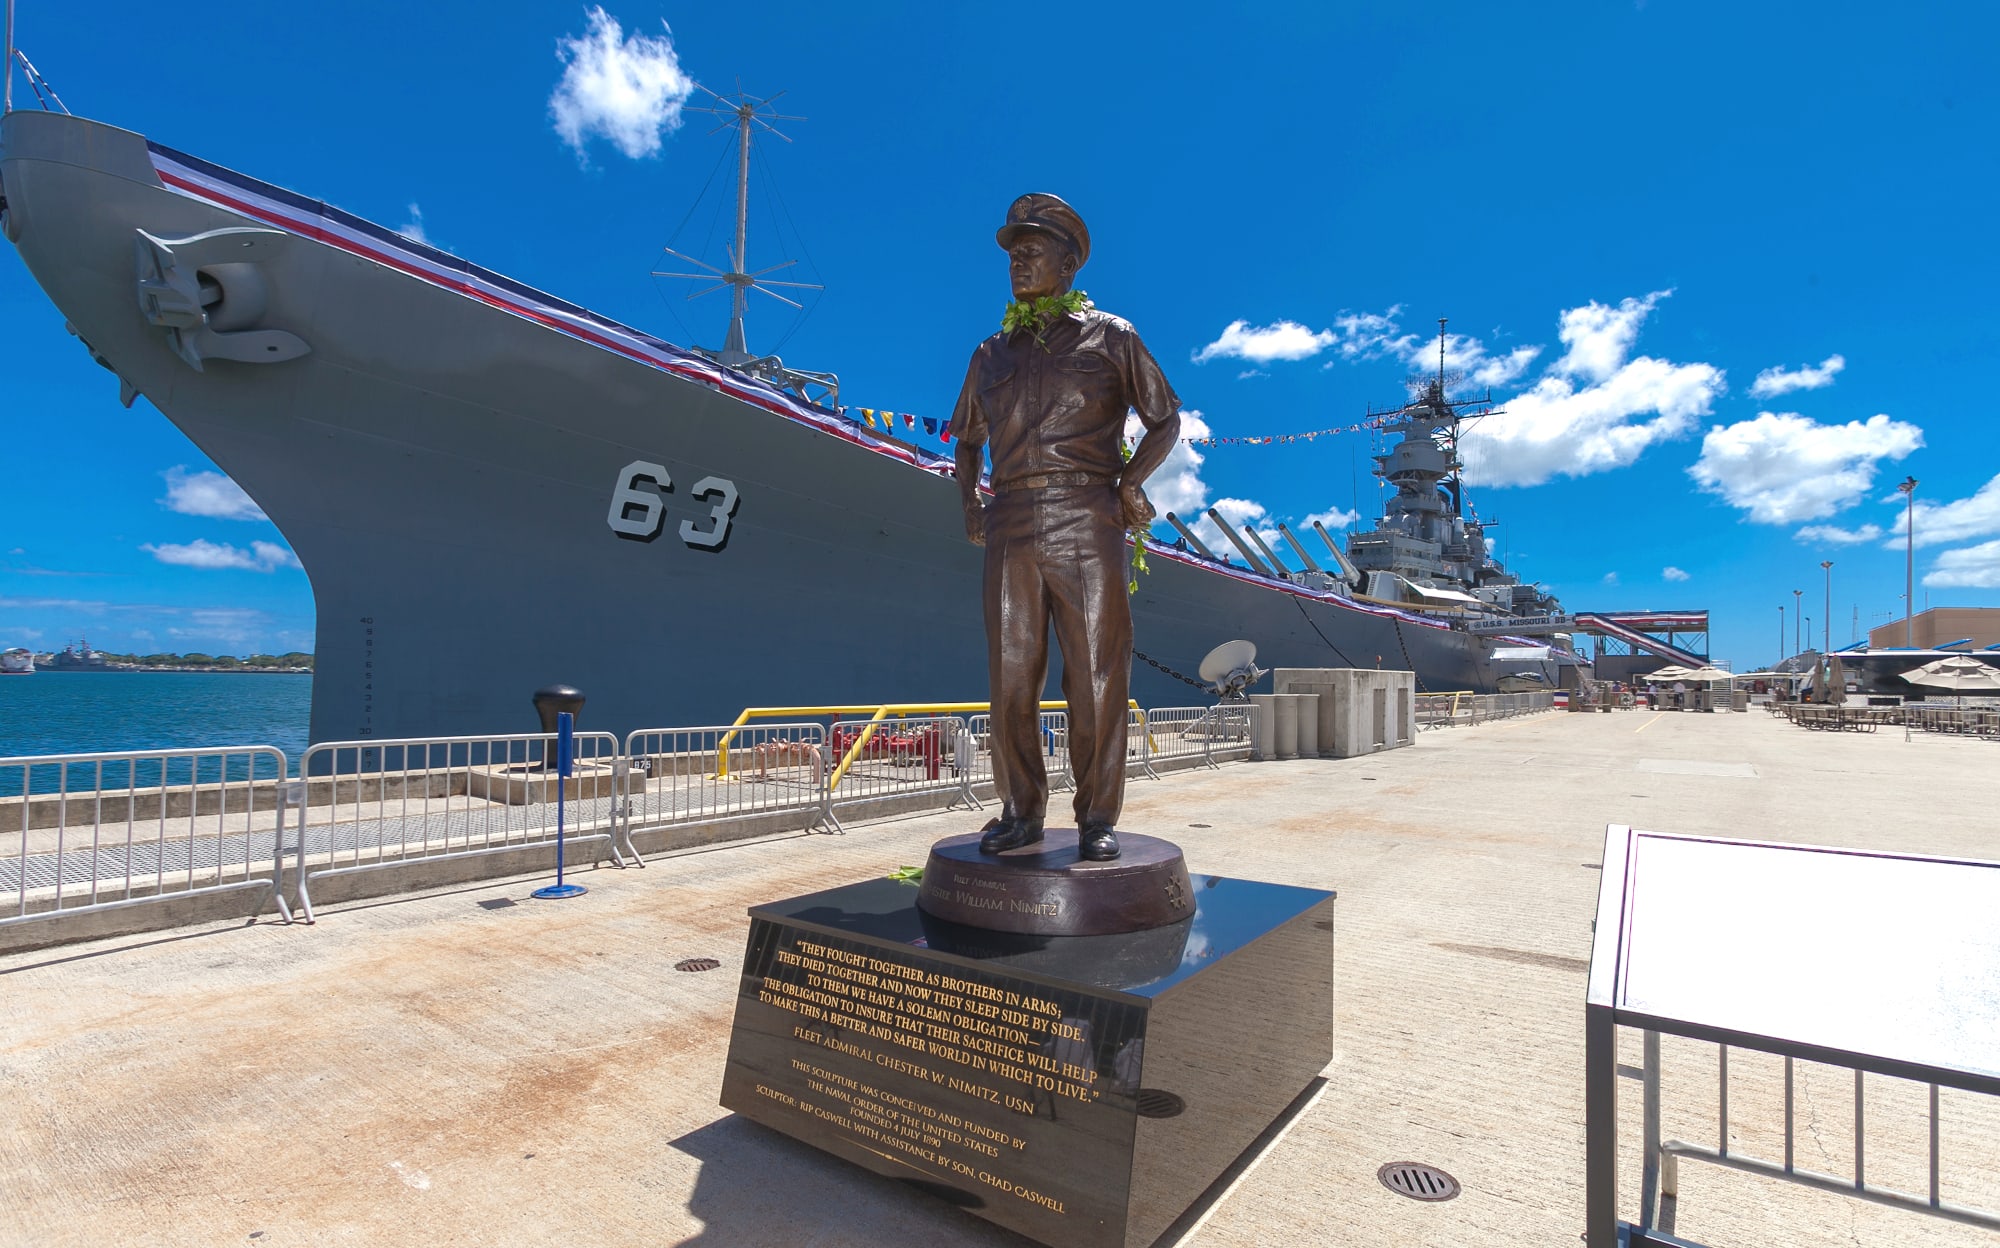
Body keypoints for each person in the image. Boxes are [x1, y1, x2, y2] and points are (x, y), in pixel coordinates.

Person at [952, 193, 1181, 862]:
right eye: (1013, 253)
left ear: (1070, 263)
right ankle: (1020, 811)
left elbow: (1165, 418)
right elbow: (965, 439)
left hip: (1089, 515)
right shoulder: (990, 353)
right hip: (1011, 519)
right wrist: (970, 501)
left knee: (1097, 675)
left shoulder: (1112, 337)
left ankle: (1096, 818)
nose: (1018, 261)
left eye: (1034, 251)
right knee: (1011, 675)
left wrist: (1130, 483)